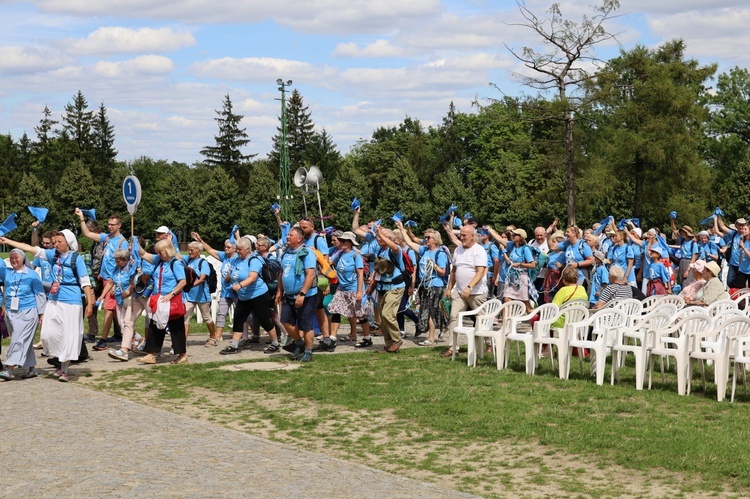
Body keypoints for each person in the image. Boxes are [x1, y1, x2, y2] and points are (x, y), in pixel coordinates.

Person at [0, 230, 95, 382]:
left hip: (72, 300)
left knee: (68, 336)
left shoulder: (76, 259)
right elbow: (31, 249)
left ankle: (64, 370)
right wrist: (8, 241)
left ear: (68, 243)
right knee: (48, 335)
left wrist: (89, 303)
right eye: (55, 242)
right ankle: (56, 361)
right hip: (53, 298)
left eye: (59, 242)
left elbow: (85, 282)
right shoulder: (53, 256)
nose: (56, 245)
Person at [76, 210, 128, 351]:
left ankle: (103, 340)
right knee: (116, 311)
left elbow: (125, 264)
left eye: (113, 224)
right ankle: (130, 336)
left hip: (114, 281)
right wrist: (81, 218)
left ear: (119, 225)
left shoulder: (122, 243)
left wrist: (116, 281)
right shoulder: (107, 238)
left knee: (109, 310)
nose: (110, 227)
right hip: (104, 279)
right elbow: (87, 234)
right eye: (109, 224)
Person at [219, 237, 277, 355]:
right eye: (237, 249)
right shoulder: (237, 260)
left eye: (240, 249)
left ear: (247, 249)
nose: (237, 251)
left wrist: (240, 285)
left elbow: (252, 277)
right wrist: (230, 278)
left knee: (264, 319)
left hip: (258, 294)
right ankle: (234, 345)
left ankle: (275, 343)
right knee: (238, 319)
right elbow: (234, 272)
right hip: (244, 297)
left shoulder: (254, 260)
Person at [396, 222, 449, 346]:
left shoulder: (440, 253)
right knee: (427, 311)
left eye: (428, 237)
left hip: (436, 286)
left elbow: (442, 272)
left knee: (432, 311)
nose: (425, 239)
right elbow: (409, 242)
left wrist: (434, 265)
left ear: (435, 239)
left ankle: (431, 338)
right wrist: (402, 229)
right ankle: (440, 328)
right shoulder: (424, 250)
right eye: (425, 237)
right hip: (424, 286)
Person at [137, 239, 188, 365]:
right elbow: (143, 254)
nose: (158, 254)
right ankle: (151, 354)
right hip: (159, 300)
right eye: (157, 252)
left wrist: (172, 294)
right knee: (155, 326)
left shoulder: (175, 264)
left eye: (160, 252)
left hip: (171, 300)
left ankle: (182, 355)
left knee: (176, 328)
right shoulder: (158, 261)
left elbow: (183, 282)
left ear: (166, 251)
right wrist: (133, 243)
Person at [441, 225, 488, 358]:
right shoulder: (458, 250)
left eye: (464, 235)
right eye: (460, 235)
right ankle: (452, 347)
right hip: (460, 293)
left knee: (482, 320)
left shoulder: (479, 250)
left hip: (476, 293)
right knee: (453, 317)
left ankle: (489, 343)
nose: (461, 237)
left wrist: (469, 287)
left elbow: (480, 272)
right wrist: (449, 288)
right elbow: (454, 271)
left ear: (472, 236)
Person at [0, 249, 46, 380]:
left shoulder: (32, 275)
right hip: (10, 312)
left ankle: (9, 368)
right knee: (24, 340)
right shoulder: (7, 273)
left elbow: (40, 294)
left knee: (18, 340)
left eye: (17, 258)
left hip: (28, 312)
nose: (14, 260)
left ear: (23, 258)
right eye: (11, 258)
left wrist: (41, 313)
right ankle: (32, 369)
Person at [277, 226, 318, 362]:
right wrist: (279, 290)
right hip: (288, 295)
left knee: (305, 325)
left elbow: (310, 274)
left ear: (299, 239)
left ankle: (308, 351)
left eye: (291, 235)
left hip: (305, 295)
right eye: (288, 235)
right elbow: (282, 273)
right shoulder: (286, 252)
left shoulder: (307, 253)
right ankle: (299, 344)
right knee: (285, 321)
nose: (287, 237)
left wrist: (302, 293)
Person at [327, 231, 372, 346]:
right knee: (335, 310)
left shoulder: (356, 255)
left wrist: (359, 292)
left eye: (343, 241)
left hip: (354, 289)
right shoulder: (340, 254)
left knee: (360, 314)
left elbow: (360, 274)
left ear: (350, 242)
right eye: (340, 240)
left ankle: (367, 338)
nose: (341, 242)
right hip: (341, 289)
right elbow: (329, 262)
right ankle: (332, 338)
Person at [191, 233, 237, 346]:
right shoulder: (224, 257)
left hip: (237, 291)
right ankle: (217, 336)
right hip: (226, 291)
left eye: (228, 247)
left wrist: (231, 277)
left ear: (235, 249)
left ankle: (251, 335)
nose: (226, 248)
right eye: (225, 247)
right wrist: (200, 240)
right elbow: (210, 250)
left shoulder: (238, 258)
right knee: (221, 313)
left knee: (245, 315)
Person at [368, 226, 407, 353]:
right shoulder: (380, 251)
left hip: (395, 287)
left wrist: (380, 233)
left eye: (382, 236)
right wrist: (370, 288)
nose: (379, 238)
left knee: (387, 314)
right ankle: (389, 345)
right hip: (382, 287)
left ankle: (397, 340)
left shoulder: (395, 250)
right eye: (378, 236)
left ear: (390, 238)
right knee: (383, 319)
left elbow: (395, 247)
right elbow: (378, 273)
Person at [97, 249, 137, 362]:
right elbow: (111, 282)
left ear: (125, 260)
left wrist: (129, 291)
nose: (117, 263)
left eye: (119, 261)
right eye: (116, 261)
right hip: (119, 299)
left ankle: (125, 348)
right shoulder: (116, 269)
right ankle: (137, 338)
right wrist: (102, 296)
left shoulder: (130, 268)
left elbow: (134, 281)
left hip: (129, 299)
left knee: (126, 323)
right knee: (121, 322)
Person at [183, 241, 216, 340]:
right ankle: (183, 342)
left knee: (206, 317)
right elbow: (176, 255)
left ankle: (213, 337)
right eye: (188, 250)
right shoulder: (188, 260)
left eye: (192, 250)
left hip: (202, 296)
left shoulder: (203, 263)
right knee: (185, 318)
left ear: (199, 251)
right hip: (189, 296)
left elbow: (202, 279)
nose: (189, 252)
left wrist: (190, 286)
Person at [502, 228, 537, 313]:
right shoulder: (512, 246)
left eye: (515, 235)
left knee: (526, 304)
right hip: (512, 277)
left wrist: (520, 264)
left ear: (520, 237)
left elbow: (532, 265)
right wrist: (490, 229)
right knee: (506, 299)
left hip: (522, 278)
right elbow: (499, 239)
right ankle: (505, 325)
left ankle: (536, 320)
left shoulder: (525, 249)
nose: (513, 236)